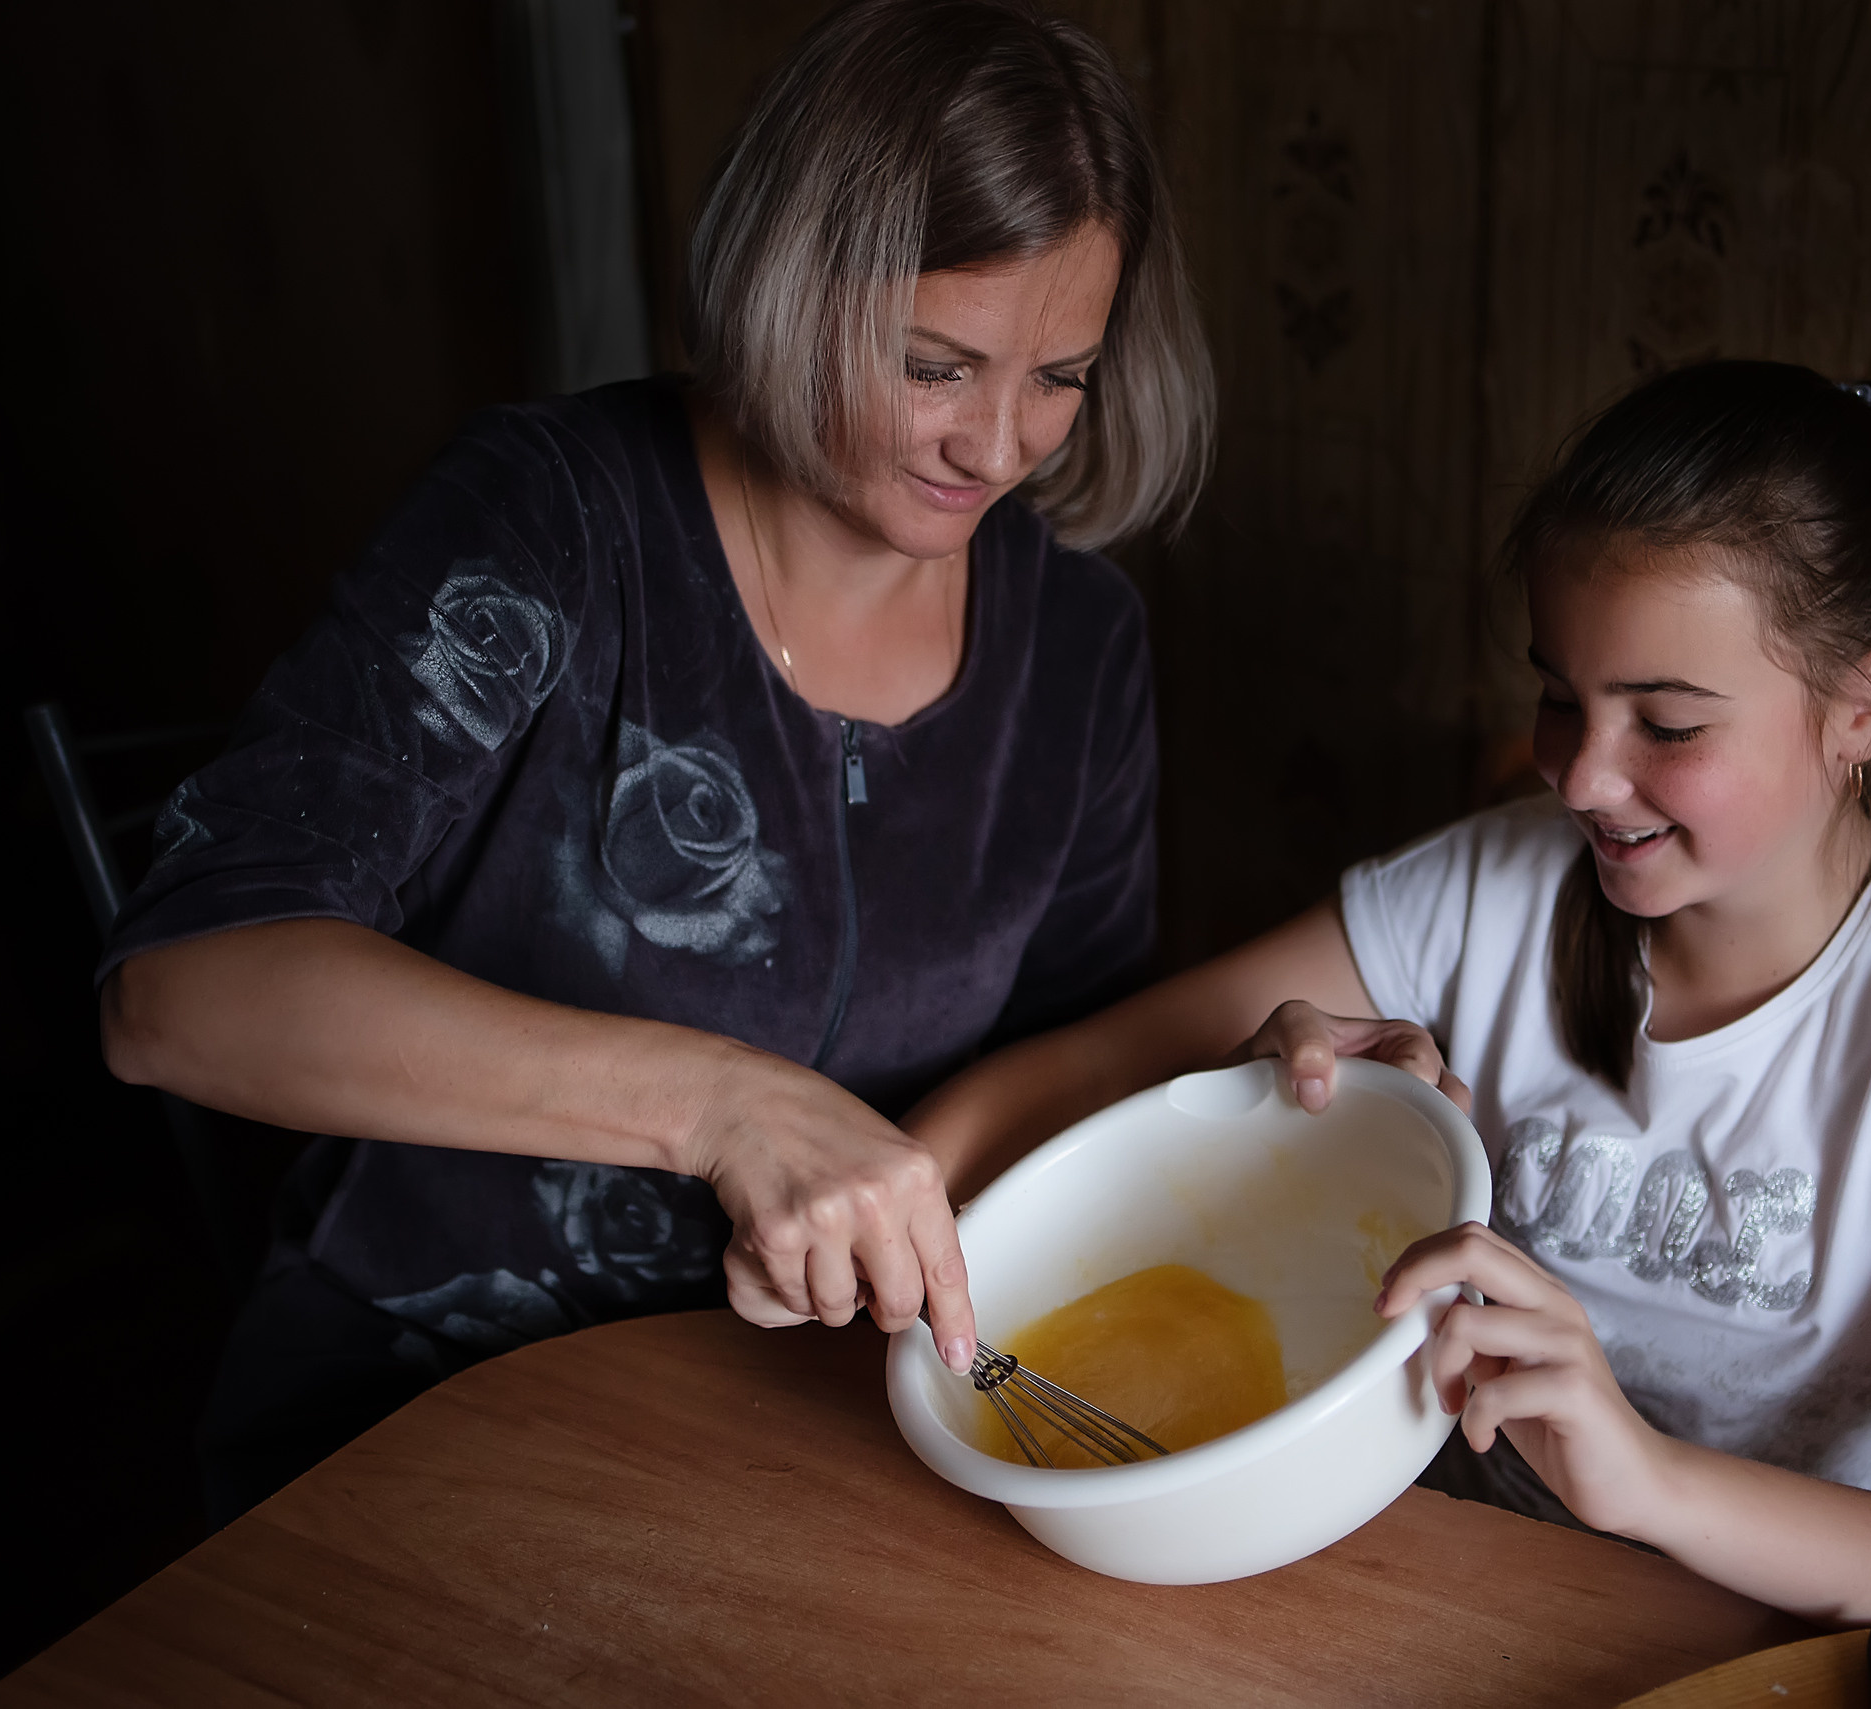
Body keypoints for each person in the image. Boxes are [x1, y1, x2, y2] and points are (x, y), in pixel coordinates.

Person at [99, 0, 1211, 1523]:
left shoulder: (1080, 646)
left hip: (836, 1439)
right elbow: (180, 991)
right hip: (430, 1406)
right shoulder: (552, 520)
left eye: (1060, 376)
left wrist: (1249, 1079)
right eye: (932, 364)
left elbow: (1072, 1074)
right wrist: (720, 1106)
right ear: (790, 278)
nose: (998, 445)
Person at [906, 361, 1871, 1672]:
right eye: (1562, 696)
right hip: (1451, 1604)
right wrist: (1247, 1088)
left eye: (1665, 721)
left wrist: (1648, 1479)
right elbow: (1092, 1067)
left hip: (1784, 1660)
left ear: (1867, 705)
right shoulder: (1493, 886)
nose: (1584, 775)